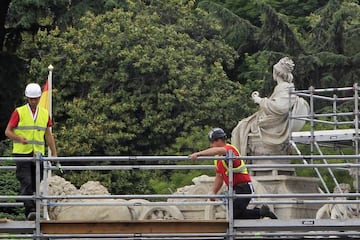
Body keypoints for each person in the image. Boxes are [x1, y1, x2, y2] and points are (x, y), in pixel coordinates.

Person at [189, 128, 277, 219]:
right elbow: (219, 176)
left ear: (219, 140)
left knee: (234, 214)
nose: (211, 145)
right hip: (234, 189)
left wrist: (198, 154)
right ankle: (261, 212)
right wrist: (213, 191)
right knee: (234, 214)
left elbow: (218, 151)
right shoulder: (218, 159)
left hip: (244, 187)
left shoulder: (230, 150)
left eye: (212, 142)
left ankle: (261, 212)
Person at [231, 57, 309, 158]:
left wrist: (259, 100)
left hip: (274, 123)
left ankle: (238, 159)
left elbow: (279, 108)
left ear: (276, 73)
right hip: (272, 119)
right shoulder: (284, 87)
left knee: (242, 126)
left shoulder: (284, 87)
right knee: (243, 125)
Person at [5, 83, 57, 220]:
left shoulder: (45, 114)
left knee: (36, 183)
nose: (33, 101)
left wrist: (54, 153)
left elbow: (48, 135)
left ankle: (33, 207)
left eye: (36, 99)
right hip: (22, 153)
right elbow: (8, 132)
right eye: (31, 99)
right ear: (27, 98)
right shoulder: (19, 112)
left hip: (38, 154)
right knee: (26, 181)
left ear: (39, 98)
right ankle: (30, 211)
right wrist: (18, 138)